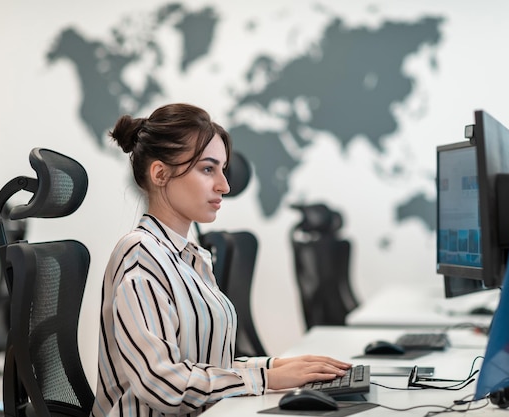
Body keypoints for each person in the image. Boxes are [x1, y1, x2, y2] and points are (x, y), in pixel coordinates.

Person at [91, 103, 351, 417]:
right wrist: (267, 378)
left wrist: (277, 365)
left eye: (222, 170)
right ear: (160, 173)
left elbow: (208, 365)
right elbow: (163, 384)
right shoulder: (140, 259)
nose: (224, 186)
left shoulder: (190, 257)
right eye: (207, 169)